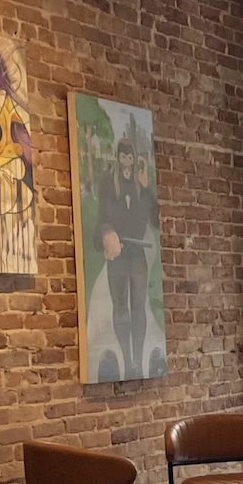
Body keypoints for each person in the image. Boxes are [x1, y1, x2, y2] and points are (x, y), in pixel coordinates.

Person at [97, 123, 156, 379]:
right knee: (120, 305)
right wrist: (108, 233)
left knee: (139, 306)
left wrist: (146, 189)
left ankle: (138, 363)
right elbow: (100, 220)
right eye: (123, 156)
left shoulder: (140, 188)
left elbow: (155, 220)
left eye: (130, 156)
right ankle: (127, 360)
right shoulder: (108, 185)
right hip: (119, 254)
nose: (127, 162)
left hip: (137, 253)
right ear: (118, 158)